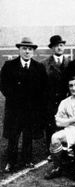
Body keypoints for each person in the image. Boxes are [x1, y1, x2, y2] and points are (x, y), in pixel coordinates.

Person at [0, 37, 47, 172]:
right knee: (13, 137)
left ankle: (27, 160)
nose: (27, 52)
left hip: (31, 110)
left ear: (33, 52)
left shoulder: (39, 67)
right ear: (19, 50)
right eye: (24, 49)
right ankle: (10, 162)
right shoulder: (9, 66)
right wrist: (16, 99)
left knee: (28, 136)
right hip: (14, 109)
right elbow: (4, 86)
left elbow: (43, 88)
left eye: (30, 49)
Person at [44, 76, 75, 179]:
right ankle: (57, 168)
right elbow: (58, 122)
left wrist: (66, 122)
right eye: (71, 85)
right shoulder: (64, 102)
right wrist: (74, 120)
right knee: (55, 137)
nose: (73, 88)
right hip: (69, 130)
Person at [41, 35, 70, 159]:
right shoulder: (44, 64)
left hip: (66, 98)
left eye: (61, 45)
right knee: (51, 124)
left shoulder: (70, 62)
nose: (59, 47)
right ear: (52, 48)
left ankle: (67, 149)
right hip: (50, 100)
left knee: (66, 124)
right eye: (56, 45)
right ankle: (51, 150)